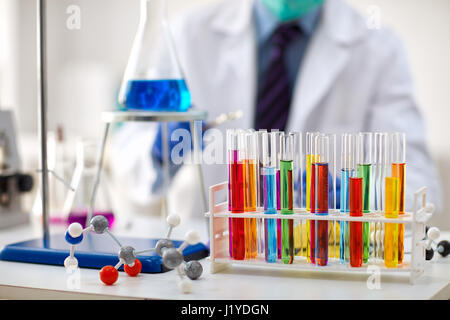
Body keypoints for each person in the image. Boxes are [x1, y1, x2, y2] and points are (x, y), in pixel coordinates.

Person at [111, 0, 441, 218]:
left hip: (325, 263)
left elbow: (420, 182)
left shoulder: (378, 47)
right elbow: (127, 158)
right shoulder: (188, 34)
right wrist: (157, 151)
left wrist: (360, 195)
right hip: (211, 259)